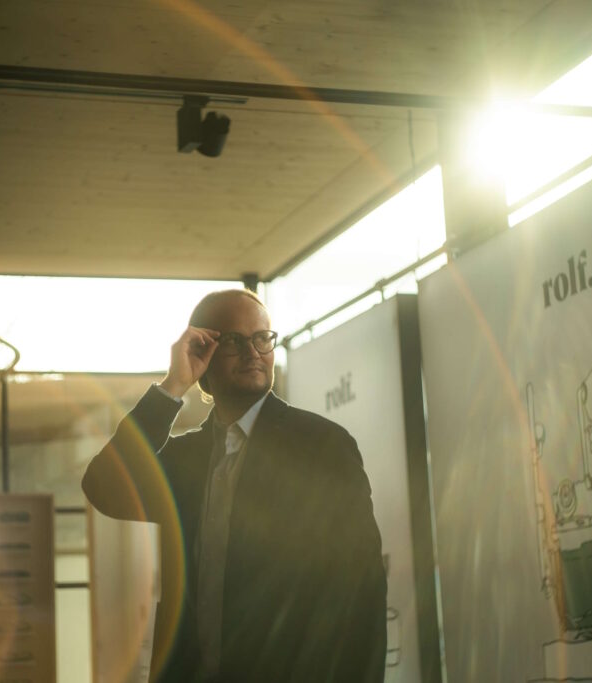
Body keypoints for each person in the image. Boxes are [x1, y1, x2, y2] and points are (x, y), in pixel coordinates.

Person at [82, 289, 387, 683]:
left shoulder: (322, 447)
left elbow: (362, 588)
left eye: (262, 338)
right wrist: (172, 386)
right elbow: (103, 487)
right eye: (234, 341)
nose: (253, 352)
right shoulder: (186, 459)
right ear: (203, 355)